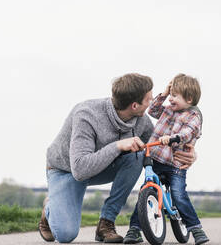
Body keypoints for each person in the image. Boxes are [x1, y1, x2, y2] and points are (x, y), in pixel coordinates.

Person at [38, 73, 196, 243]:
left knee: (137, 156)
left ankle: (106, 223)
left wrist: (191, 153)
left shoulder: (141, 120)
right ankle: (50, 207)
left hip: (103, 166)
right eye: (149, 100)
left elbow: (158, 145)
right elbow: (80, 170)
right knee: (65, 234)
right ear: (135, 105)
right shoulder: (86, 114)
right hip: (66, 170)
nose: (152, 104)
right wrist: (118, 146)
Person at [123, 74, 209, 245]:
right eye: (171, 94)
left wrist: (172, 137)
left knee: (178, 194)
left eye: (175, 95)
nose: (171, 98)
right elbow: (153, 110)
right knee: (145, 192)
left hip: (175, 165)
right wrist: (164, 93)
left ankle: (195, 228)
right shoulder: (168, 108)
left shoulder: (194, 116)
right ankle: (135, 229)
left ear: (189, 98)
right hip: (156, 158)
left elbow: (188, 133)